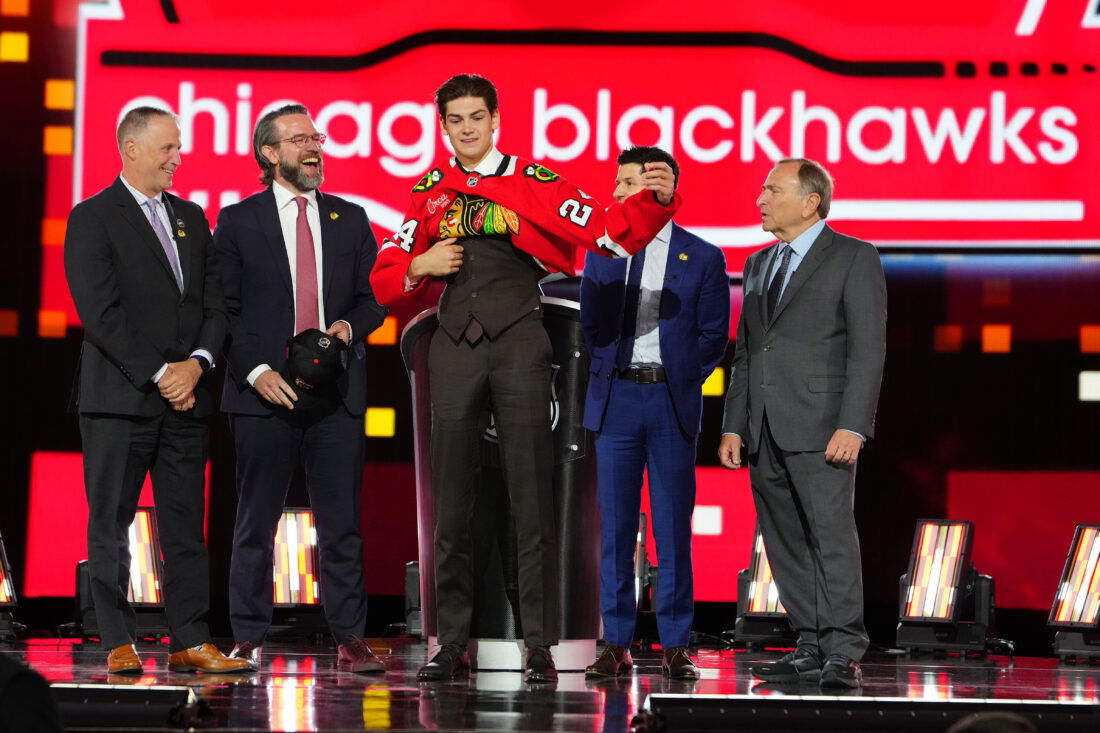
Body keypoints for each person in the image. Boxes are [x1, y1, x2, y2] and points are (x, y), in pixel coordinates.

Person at [370, 74, 680, 684]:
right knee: (449, 506)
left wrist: (655, 200)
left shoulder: (534, 182)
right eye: (455, 119)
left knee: (532, 499)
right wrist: (421, 264)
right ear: (443, 126)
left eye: (476, 117)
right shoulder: (429, 193)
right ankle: (450, 644)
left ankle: (539, 644)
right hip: (452, 351)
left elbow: (608, 234)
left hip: (519, 346)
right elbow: (386, 280)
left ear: (495, 120)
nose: (466, 128)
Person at [64, 107, 251, 675]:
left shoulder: (191, 217)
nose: (177, 158)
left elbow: (214, 305)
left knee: (185, 526)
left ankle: (190, 640)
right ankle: (116, 639)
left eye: (178, 147)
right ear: (130, 148)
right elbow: (100, 312)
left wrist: (196, 364)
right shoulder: (93, 216)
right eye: (167, 147)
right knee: (111, 521)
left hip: (187, 401)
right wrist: (161, 373)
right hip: (119, 401)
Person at [213, 104, 388, 673]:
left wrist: (348, 328)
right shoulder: (238, 221)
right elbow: (224, 311)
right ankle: (248, 636)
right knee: (255, 522)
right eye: (299, 140)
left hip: (336, 395)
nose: (314, 148)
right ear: (270, 153)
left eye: (317, 138)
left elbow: (373, 298)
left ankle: (350, 636)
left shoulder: (350, 218)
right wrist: (256, 372)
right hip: (264, 395)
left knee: (342, 524)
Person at [718, 158, 886, 689]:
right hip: (764, 427)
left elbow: (867, 350)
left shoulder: (854, 256)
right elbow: (747, 353)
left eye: (772, 190)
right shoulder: (757, 263)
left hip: (823, 426)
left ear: (811, 201)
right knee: (783, 540)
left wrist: (853, 425)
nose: (761, 199)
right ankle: (810, 643)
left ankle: (844, 648)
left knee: (830, 538)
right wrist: (734, 425)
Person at [579, 147, 729, 680]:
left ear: (657, 191)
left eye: (627, 184)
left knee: (671, 528)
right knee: (616, 530)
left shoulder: (702, 256)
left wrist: (679, 379)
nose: (616, 193)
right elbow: (591, 326)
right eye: (616, 183)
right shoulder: (603, 251)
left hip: (669, 402)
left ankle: (675, 644)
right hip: (616, 401)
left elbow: (714, 336)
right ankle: (615, 643)